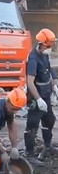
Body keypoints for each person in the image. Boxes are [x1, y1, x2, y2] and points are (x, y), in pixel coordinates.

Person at [24, 28, 58, 160]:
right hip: (36, 97)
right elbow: (30, 82)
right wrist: (38, 99)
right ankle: (30, 153)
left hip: (46, 94)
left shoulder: (45, 55)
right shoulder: (33, 58)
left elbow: (50, 71)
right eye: (49, 44)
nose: (51, 46)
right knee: (32, 124)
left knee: (49, 120)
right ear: (42, 43)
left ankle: (48, 146)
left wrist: (55, 85)